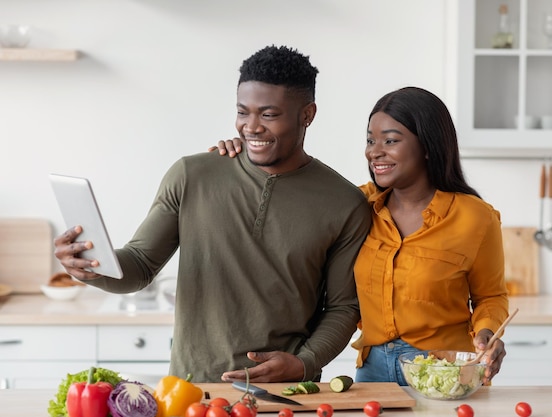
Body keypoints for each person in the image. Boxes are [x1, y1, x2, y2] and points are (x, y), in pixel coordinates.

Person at [53, 45, 371, 383]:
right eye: (243, 112)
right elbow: (141, 266)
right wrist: (91, 266)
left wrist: (304, 363)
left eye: (268, 114)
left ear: (307, 114)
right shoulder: (192, 174)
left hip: (283, 393)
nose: (251, 127)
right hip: (190, 388)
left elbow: (343, 307)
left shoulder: (344, 202)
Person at [212, 86, 509, 385]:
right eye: (370, 140)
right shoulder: (356, 206)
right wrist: (248, 156)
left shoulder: (475, 218)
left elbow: (490, 296)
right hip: (373, 369)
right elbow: (289, 197)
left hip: (445, 373)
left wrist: (486, 334)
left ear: (428, 145)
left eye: (390, 140)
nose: (374, 151)